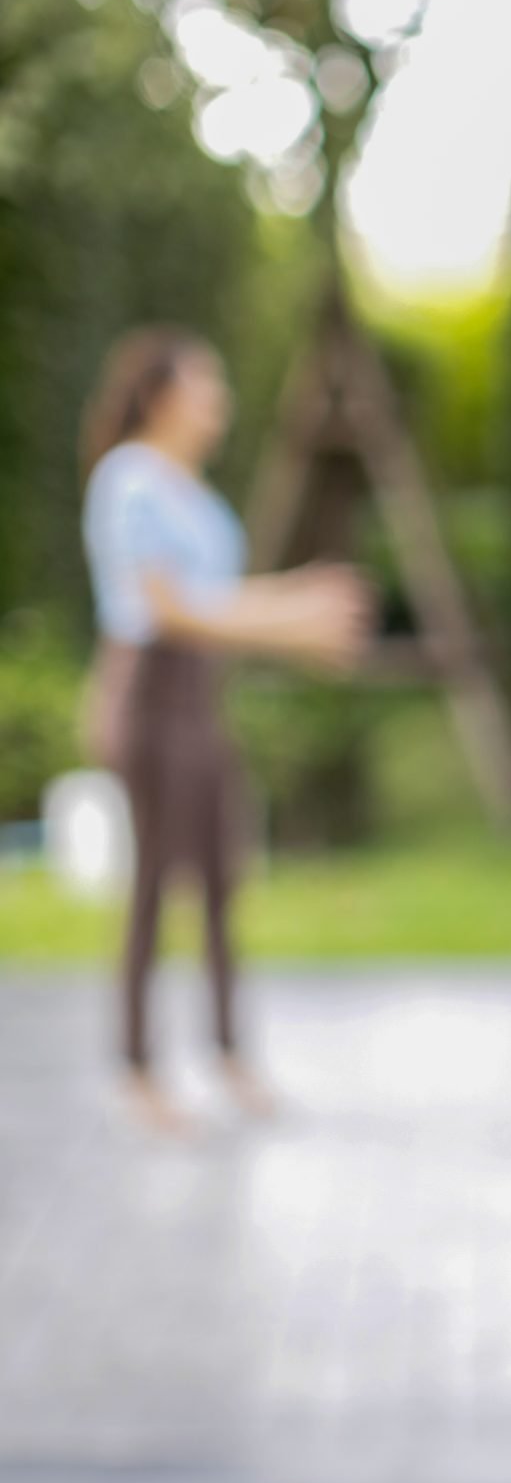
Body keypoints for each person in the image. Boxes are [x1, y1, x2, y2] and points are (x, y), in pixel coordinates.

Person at [79, 326, 372, 1137]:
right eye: (208, 386)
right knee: (153, 888)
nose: (221, 403)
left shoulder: (193, 492)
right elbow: (169, 611)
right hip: (153, 697)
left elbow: (219, 596)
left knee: (221, 880)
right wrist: (291, 629)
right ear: (165, 394)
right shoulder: (129, 479)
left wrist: (298, 598)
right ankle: (138, 1067)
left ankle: (228, 1052)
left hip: (202, 700)